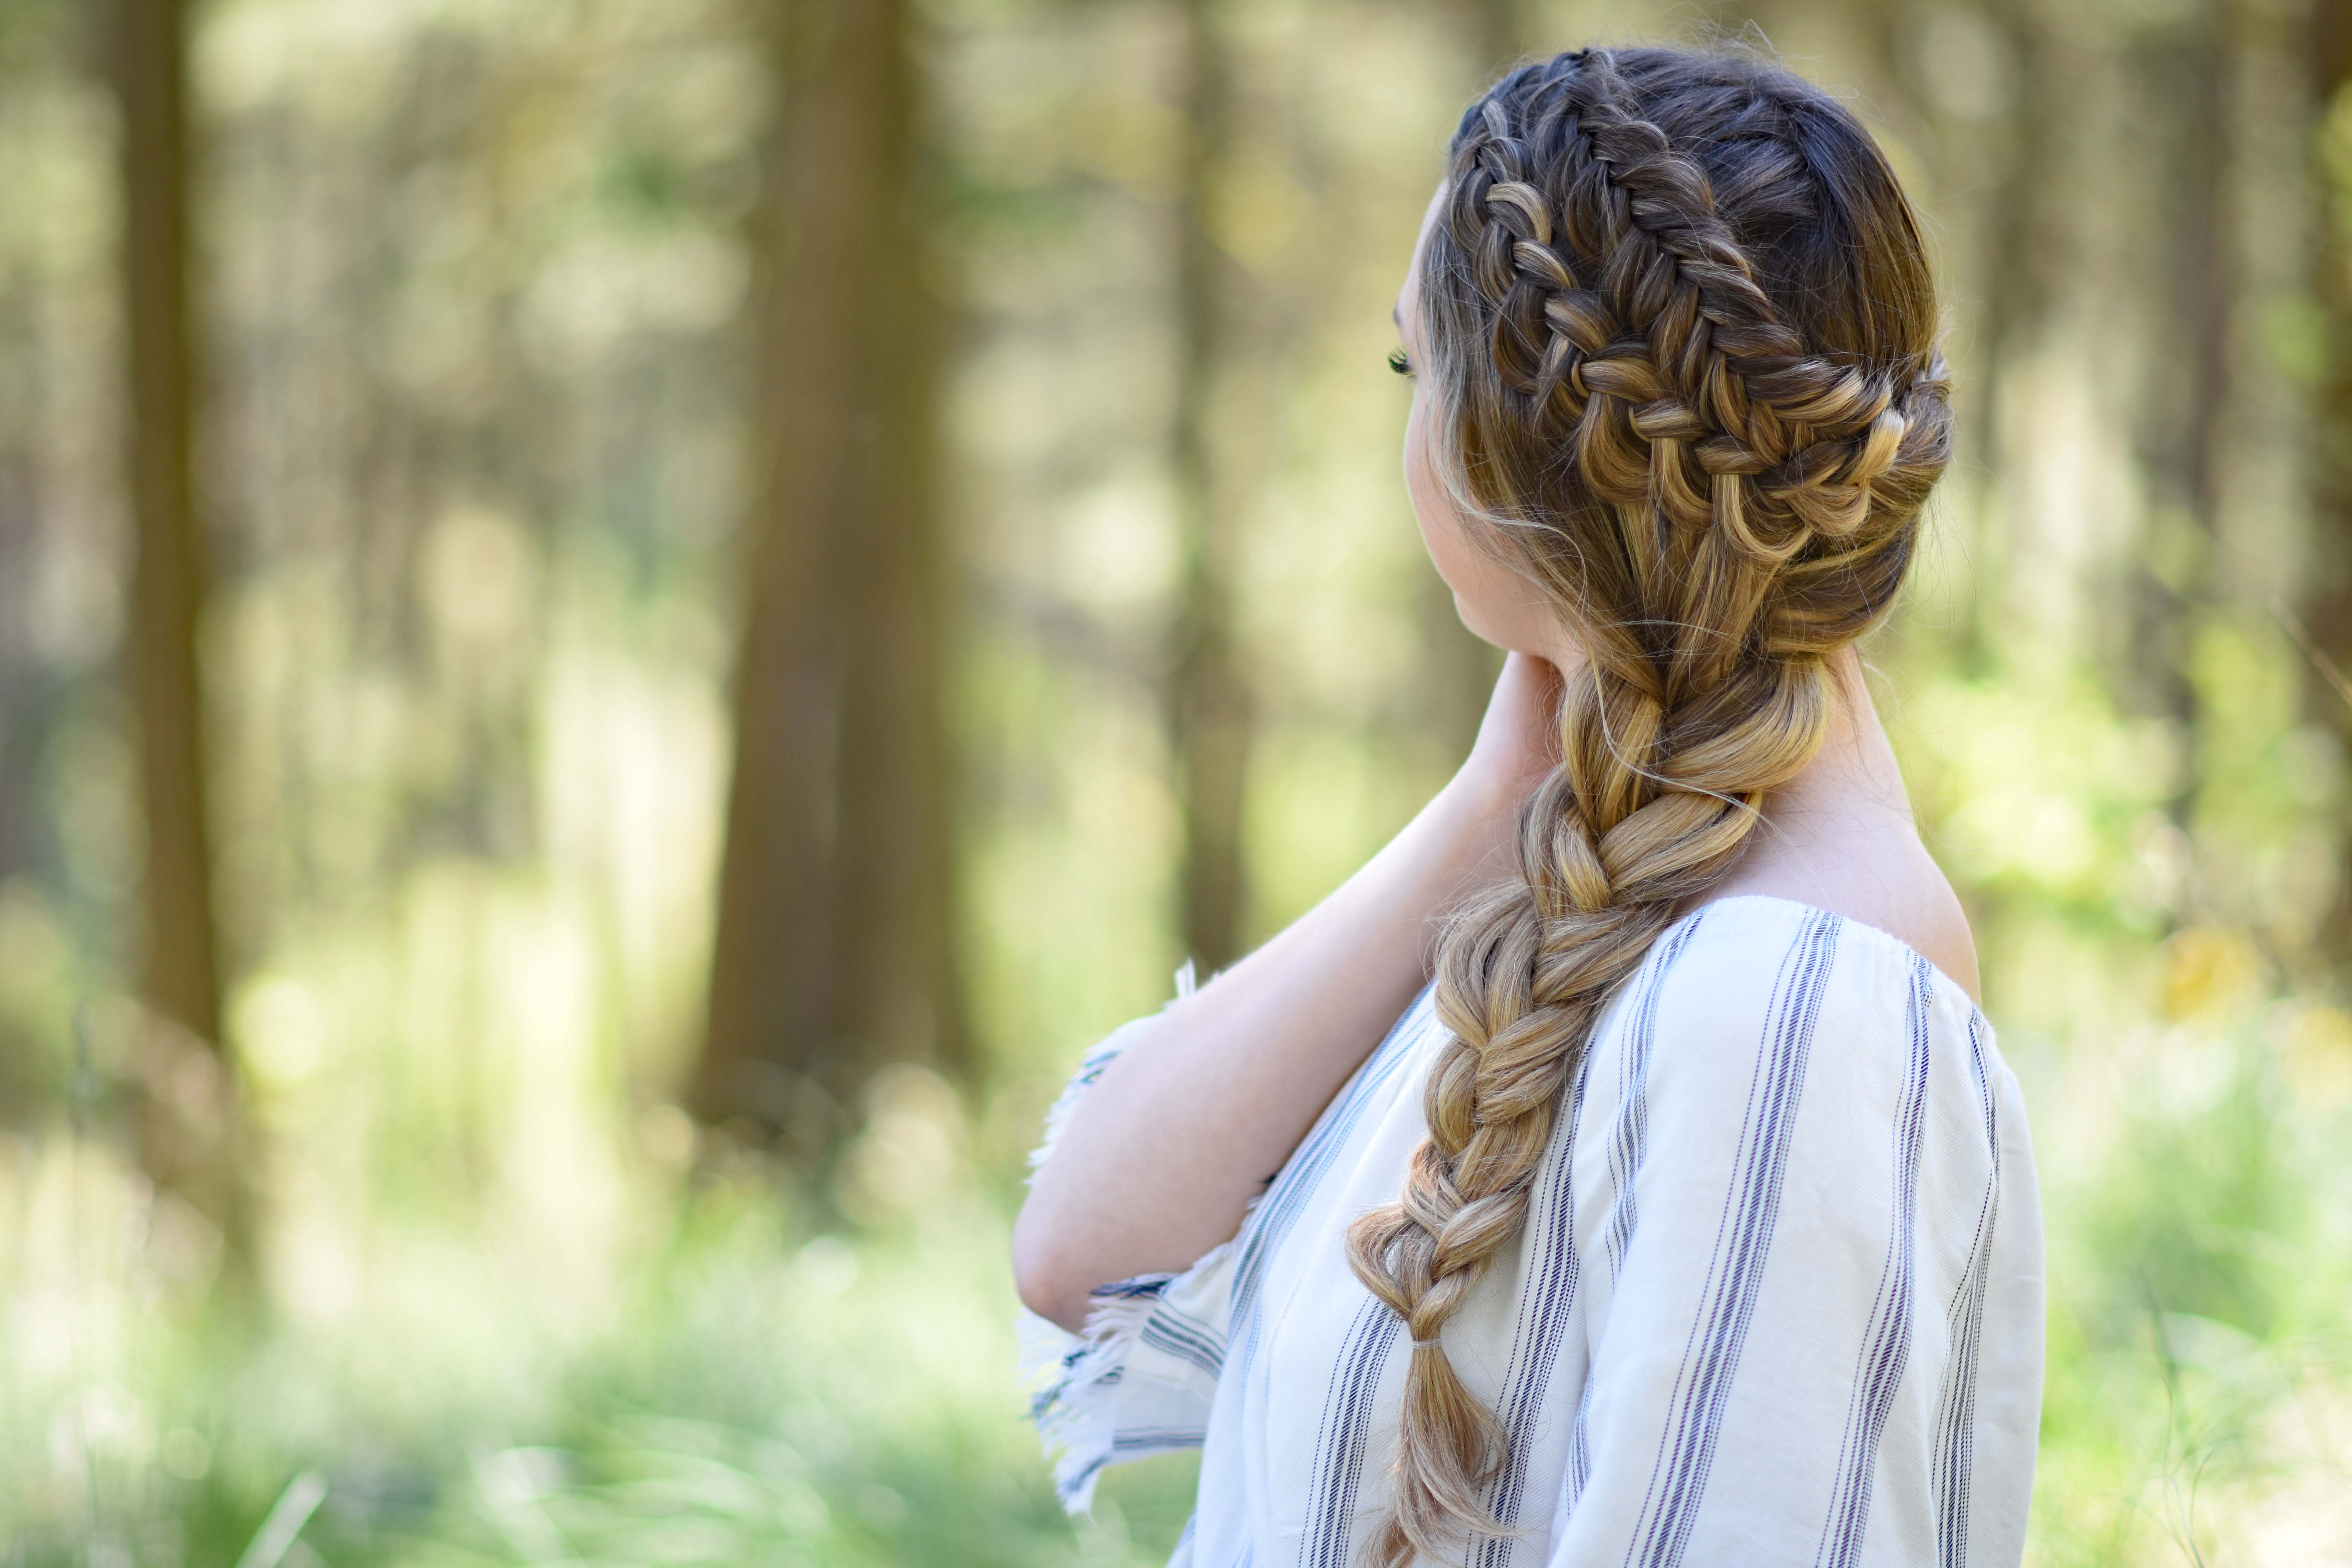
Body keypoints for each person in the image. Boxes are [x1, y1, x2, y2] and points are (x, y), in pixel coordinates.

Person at [1011, 42, 2043, 1568]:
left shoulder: (1792, 1002)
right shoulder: (1572, 901)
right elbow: (1085, 1248)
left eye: (1409, 368)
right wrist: (1498, 792)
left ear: (1501, 444)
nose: (1407, 426)